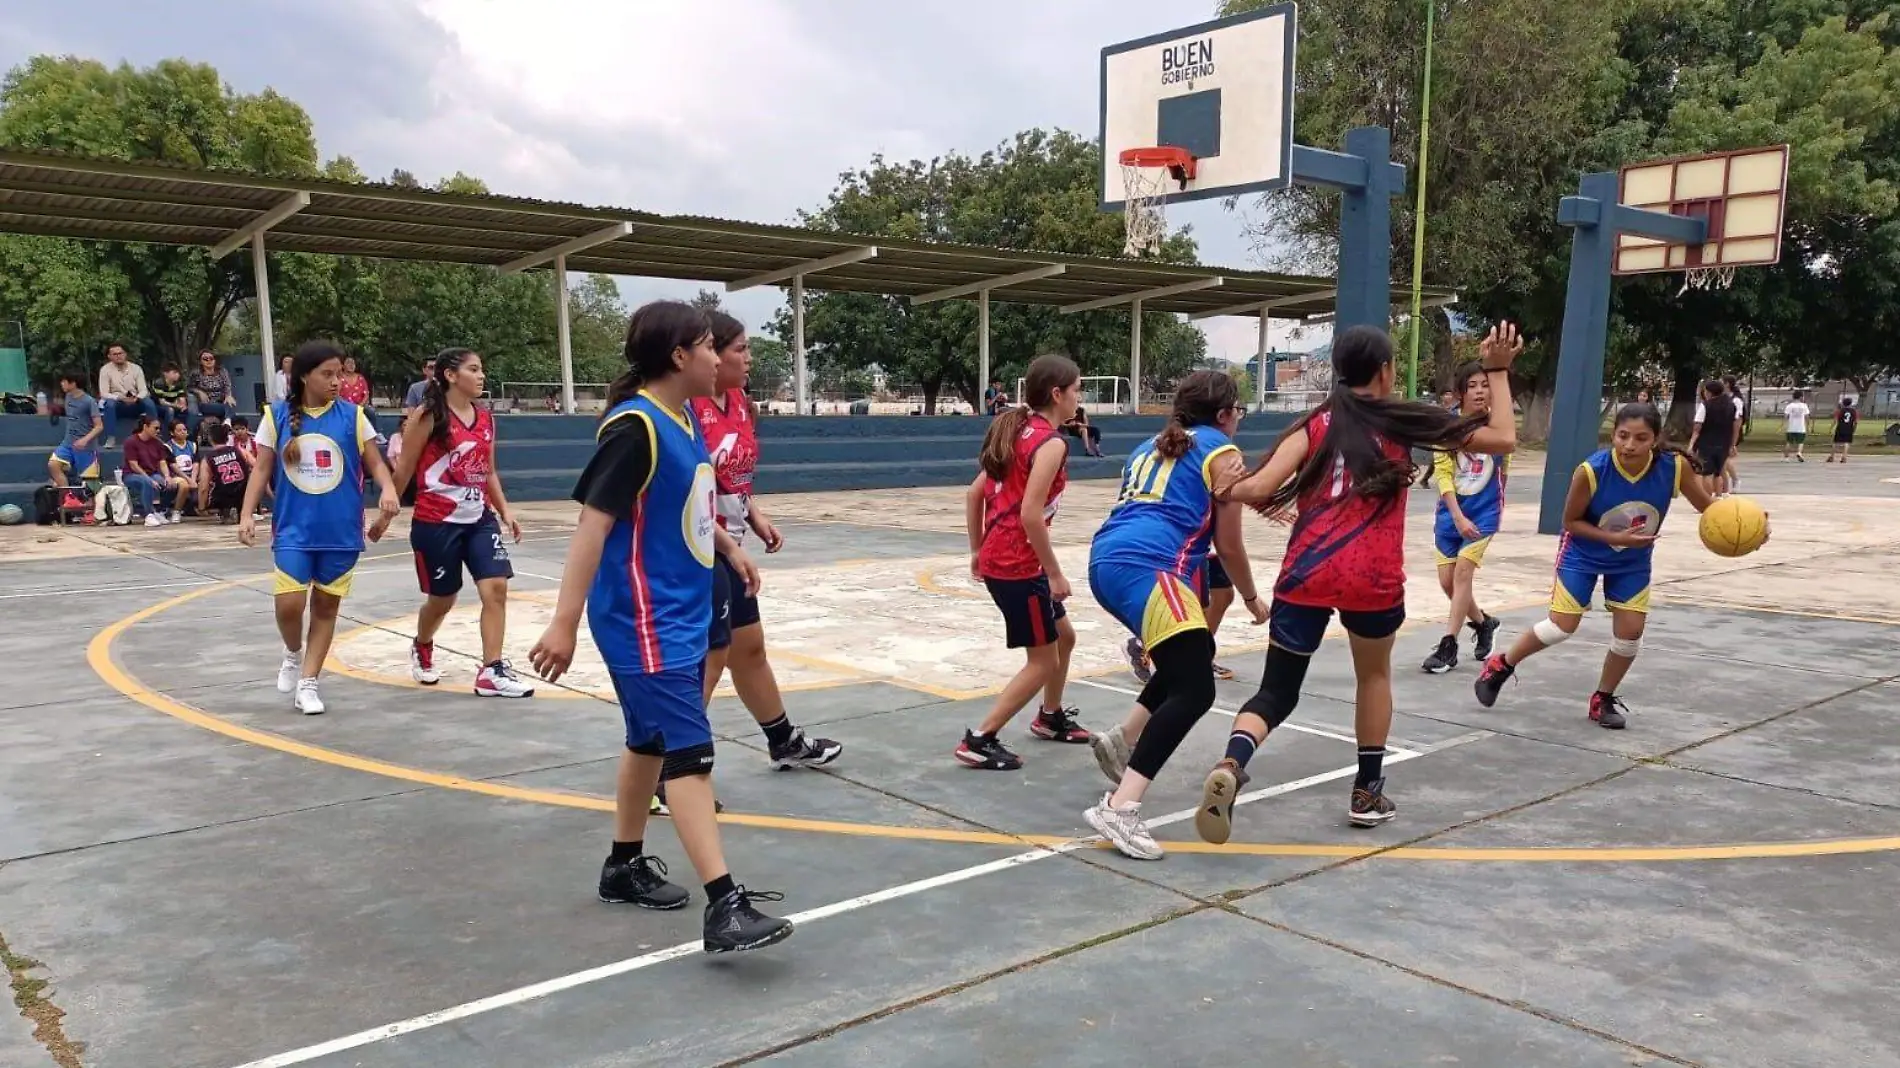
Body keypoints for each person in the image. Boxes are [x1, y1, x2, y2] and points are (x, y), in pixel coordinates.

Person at [528, 300, 792, 954]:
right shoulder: (635, 427)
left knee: (648, 742)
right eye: (709, 345)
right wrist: (562, 623)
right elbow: (592, 527)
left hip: (679, 608)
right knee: (690, 754)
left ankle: (622, 865)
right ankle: (724, 905)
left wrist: (729, 550)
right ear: (679, 356)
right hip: (644, 620)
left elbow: (693, 508)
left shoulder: (680, 421)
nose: (718, 356)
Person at [1206, 324, 1521, 842]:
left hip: (1306, 572)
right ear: (1384, 371)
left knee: (1276, 692)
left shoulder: (1315, 424)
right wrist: (1499, 370)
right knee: (1372, 678)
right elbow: (1503, 438)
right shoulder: (1403, 420)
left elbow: (1259, 486)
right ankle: (1367, 792)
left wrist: (1228, 484)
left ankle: (1231, 763)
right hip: (1370, 577)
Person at [1475, 402, 1763, 728]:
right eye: (1623, 436)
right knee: (1560, 628)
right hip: (1582, 553)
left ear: (1655, 439)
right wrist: (1619, 538)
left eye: (1640, 438)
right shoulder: (1592, 470)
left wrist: (1750, 528)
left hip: (1631, 562)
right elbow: (1570, 522)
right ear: (1613, 435)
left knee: (1630, 635)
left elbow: (1708, 509)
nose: (1629, 445)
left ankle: (1603, 698)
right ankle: (1501, 665)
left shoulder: (1673, 468)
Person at [1080, 370, 1269, 860]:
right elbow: (1227, 544)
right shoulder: (1221, 452)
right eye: (1238, 413)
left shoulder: (1154, 445)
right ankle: (1120, 807)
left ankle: (1125, 738)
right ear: (1226, 414)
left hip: (1109, 560)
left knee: (1193, 652)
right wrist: (1250, 597)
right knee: (1196, 687)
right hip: (1150, 566)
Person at [687, 312, 841, 774]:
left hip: (728, 546)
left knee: (748, 649)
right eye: (741, 349)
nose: (749, 358)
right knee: (711, 660)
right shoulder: (687, 408)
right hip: (697, 551)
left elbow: (730, 477)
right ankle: (672, 766)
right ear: (711, 352)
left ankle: (782, 739)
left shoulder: (737, 401)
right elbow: (685, 494)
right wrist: (728, 545)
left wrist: (752, 514)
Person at [238, 340, 401, 716]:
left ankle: (309, 683)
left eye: (340, 373)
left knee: (326, 608)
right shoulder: (275, 415)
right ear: (304, 377)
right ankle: (292, 653)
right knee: (290, 604)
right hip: (294, 528)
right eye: (327, 374)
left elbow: (376, 464)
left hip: (340, 530)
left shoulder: (354, 416)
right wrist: (247, 514)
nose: (337, 381)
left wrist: (389, 488)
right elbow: (261, 468)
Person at [370, 348, 533, 698]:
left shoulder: (486, 419)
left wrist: (505, 510)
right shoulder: (429, 416)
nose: (481, 376)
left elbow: (487, 471)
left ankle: (492, 669)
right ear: (450, 375)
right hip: (436, 521)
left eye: (482, 370)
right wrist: (385, 516)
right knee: (442, 599)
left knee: (496, 588)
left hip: (478, 519)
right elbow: (405, 470)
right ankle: (422, 644)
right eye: (473, 369)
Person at [956, 353, 1088, 771]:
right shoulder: (1050, 443)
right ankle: (981, 737)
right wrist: (1053, 572)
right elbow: (1032, 514)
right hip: (1019, 565)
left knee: (1063, 637)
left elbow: (974, 493)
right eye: (1077, 389)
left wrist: (978, 549)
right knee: (1043, 659)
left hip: (1003, 555)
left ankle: (1050, 717)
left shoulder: (1017, 431)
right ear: (1057, 394)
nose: (1079, 397)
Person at [1421, 361, 1506, 674]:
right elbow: (1443, 474)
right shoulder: (1447, 427)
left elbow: (1506, 454)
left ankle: (1448, 646)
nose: (1480, 391)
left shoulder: (1498, 425)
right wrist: (1456, 516)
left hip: (1485, 514)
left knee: (1462, 576)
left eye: (1485, 384)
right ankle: (1484, 624)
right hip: (1451, 514)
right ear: (1460, 392)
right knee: (1448, 583)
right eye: (1472, 386)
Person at [122, 414, 192, 525]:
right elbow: (133, 465)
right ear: (145, 427)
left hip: (152, 473)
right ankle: (148, 515)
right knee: (147, 482)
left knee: (170, 484)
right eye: (155, 428)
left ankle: (159, 511)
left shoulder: (158, 442)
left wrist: (167, 477)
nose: (158, 431)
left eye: (159, 428)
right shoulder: (131, 441)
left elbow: (162, 462)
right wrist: (148, 478)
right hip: (132, 474)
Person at [47, 369, 102, 488]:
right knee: (53, 465)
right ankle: (67, 496)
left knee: (90, 485)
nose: (62, 384)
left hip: (86, 447)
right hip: (68, 443)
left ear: (73, 383)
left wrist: (85, 440)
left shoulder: (89, 401)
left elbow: (99, 426)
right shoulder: (68, 397)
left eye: (64, 381)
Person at [98, 342, 158, 447]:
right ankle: (111, 438)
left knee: (149, 402)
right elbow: (104, 393)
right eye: (115, 354)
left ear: (125, 354)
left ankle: (155, 433)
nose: (118, 356)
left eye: (120, 353)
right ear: (109, 356)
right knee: (109, 404)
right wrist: (120, 398)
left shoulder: (136, 368)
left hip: (135, 401)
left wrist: (137, 398)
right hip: (118, 403)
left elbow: (143, 390)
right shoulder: (105, 370)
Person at [1688, 379, 1737, 496]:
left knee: (1706, 473)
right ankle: (1719, 496)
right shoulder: (1731, 405)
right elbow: (1735, 425)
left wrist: (1691, 445)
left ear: (1709, 392)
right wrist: (1732, 444)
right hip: (1724, 442)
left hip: (1707, 443)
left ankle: (1707, 499)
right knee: (1718, 472)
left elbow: (1697, 427)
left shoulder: (1705, 405)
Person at [197, 422, 252, 523]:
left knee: (210, 485)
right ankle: (243, 510)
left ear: (210, 439)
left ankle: (225, 511)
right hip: (245, 494)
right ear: (227, 438)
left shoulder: (207, 459)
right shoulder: (240, 450)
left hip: (222, 495)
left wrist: (201, 507)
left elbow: (203, 487)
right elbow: (257, 467)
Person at [189, 350, 235, 429]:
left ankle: (227, 423)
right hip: (206, 404)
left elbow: (227, 385)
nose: (209, 360)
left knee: (230, 403)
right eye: (205, 359)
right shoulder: (196, 373)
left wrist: (228, 395)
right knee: (227, 409)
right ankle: (228, 421)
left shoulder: (222, 371)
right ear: (200, 361)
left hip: (221, 402)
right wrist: (199, 392)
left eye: (211, 358)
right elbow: (189, 387)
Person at [1721, 375, 1746, 489]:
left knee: (1724, 458)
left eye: (1722, 382)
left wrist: (1733, 443)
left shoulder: (1736, 400)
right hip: (1722, 430)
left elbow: (1738, 420)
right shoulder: (1723, 397)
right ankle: (1730, 480)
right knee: (1722, 458)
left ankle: (1735, 479)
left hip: (1731, 431)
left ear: (1727, 384)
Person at [152, 362, 189, 437]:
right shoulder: (159, 383)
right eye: (174, 373)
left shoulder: (179, 384)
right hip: (158, 406)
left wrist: (183, 405)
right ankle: (168, 435)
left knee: (187, 410)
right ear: (166, 374)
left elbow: (182, 398)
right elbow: (162, 402)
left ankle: (186, 434)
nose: (177, 375)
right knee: (170, 410)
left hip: (173, 405)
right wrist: (176, 405)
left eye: (178, 373)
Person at [1828, 396, 1858, 463]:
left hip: (1840, 428)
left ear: (1843, 404)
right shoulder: (1854, 411)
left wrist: (1831, 428)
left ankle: (1832, 457)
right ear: (1850, 404)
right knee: (1846, 442)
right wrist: (1854, 429)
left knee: (1835, 442)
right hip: (1849, 428)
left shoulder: (1839, 411)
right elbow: (1856, 422)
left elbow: (1835, 420)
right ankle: (1844, 457)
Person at [1782, 390, 1810, 461]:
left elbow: (1785, 416)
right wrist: (1808, 425)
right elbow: (1807, 416)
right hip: (1800, 427)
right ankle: (1799, 452)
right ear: (1801, 397)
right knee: (1800, 442)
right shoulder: (1804, 406)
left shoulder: (1789, 406)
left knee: (1789, 442)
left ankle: (1786, 457)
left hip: (1791, 427)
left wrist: (1784, 424)